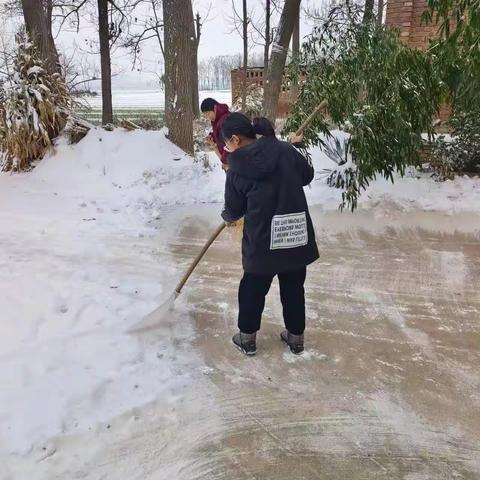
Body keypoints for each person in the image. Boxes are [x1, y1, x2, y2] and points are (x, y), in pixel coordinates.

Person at [221, 113, 319, 356]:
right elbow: (307, 175)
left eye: (227, 143)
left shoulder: (236, 169)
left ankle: (247, 338)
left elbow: (234, 210)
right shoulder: (285, 151)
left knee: (252, 289)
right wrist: (298, 149)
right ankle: (296, 338)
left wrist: (227, 217)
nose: (227, 147)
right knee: (294, 288)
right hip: (295, 235)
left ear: (235, 139)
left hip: (263, 242)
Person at [200, 97, 231, 169]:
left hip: (231, 164)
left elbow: (230, 141)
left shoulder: (225, 120)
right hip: (227, 162)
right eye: (205, 115)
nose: (207, 117)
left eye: (208, 113)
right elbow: (221, 135)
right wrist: (213, 136)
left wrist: (225, 161)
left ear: (215, 108)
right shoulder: (217, 119)